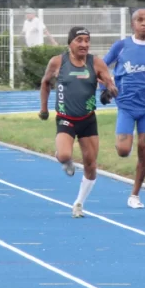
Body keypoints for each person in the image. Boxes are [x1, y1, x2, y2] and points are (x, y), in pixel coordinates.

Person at [38, 26, 117, 218]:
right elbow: (45, 82)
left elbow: (108, 81)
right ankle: (63, 159)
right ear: (70, 43)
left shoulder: (95, 62)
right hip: (66, 119)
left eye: (87, 41)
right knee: (65, 155)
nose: (84, 44)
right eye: (79, 40)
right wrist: (44, 109)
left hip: (87, 120)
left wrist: (111, 89)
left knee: (91, 164)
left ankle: (79, 203)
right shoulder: (58, 62)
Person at [101, 9, 145, 209]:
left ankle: (135, 194)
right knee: (123, 151)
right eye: (140, 20)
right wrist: (105, 89)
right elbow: (102, 67)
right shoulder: (122, 46)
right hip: (126, 105)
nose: (144, 23)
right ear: (133, 24)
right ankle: (126, 140)